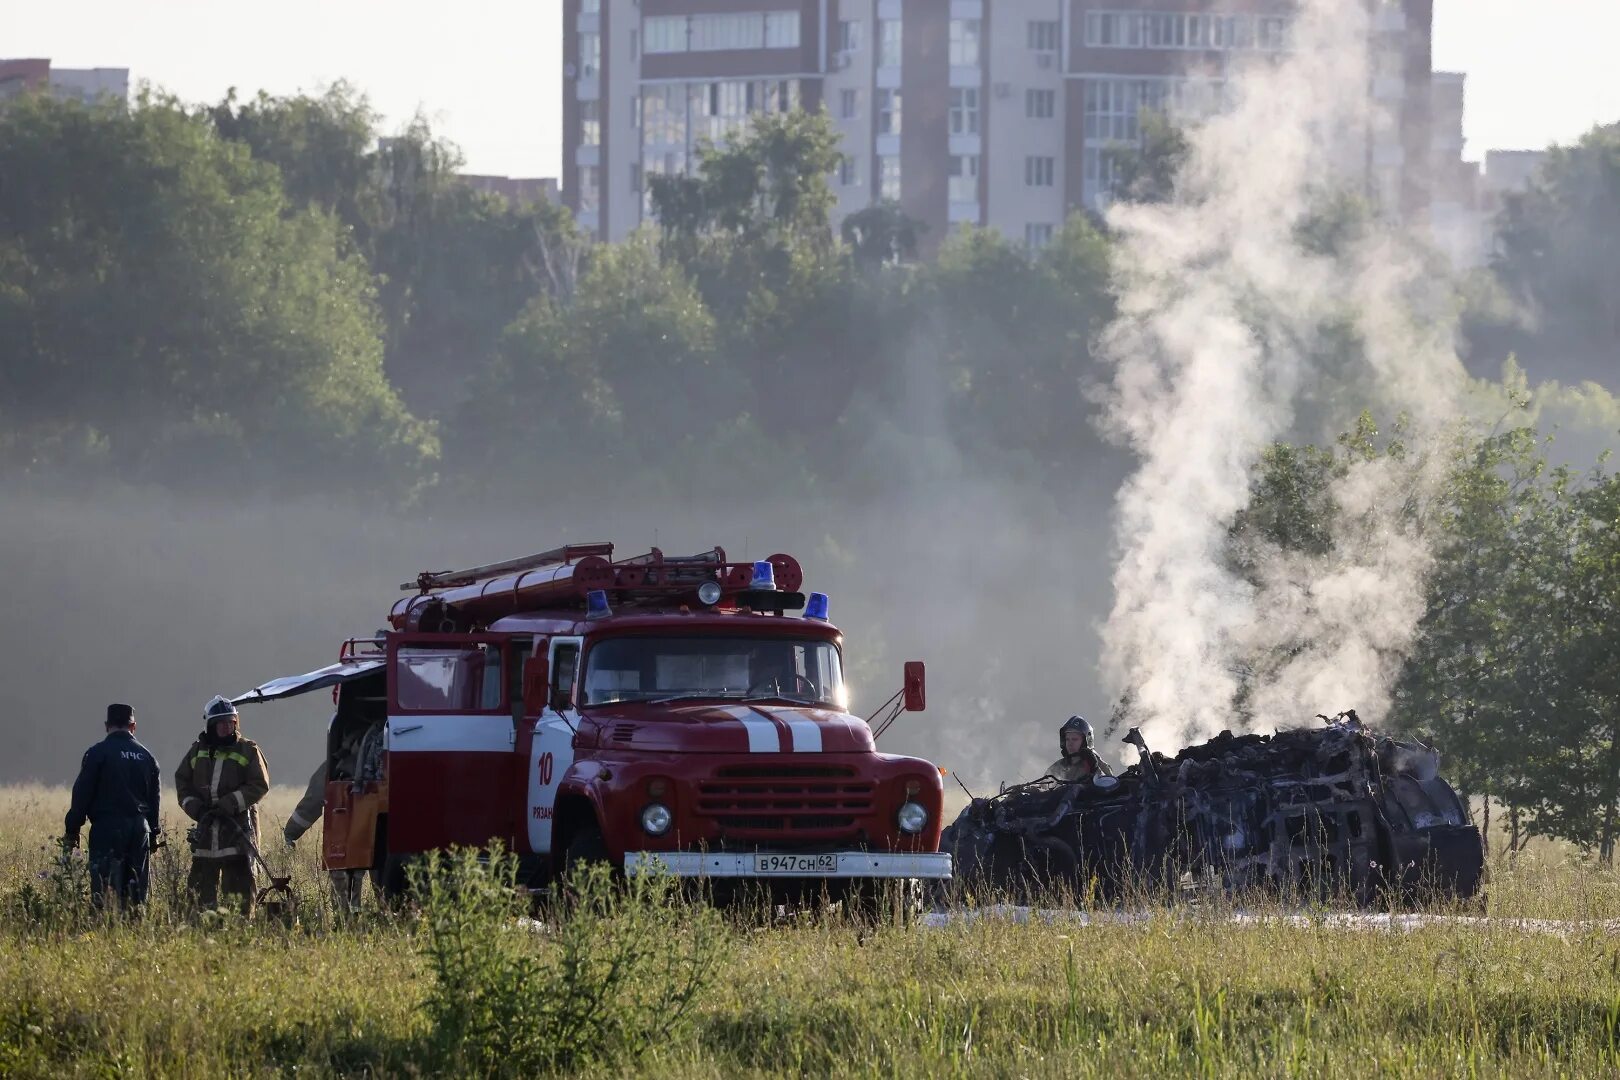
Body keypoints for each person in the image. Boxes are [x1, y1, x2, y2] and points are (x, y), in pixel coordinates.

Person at [62, 703, 162, 912]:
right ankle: (134, 931)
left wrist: (72, 829)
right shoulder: (148, 757)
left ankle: (105, 929)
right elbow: (154, 800)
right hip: (139, 829)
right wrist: (153, 833)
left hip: (107, 828)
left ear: (107, 726)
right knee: (136, 894)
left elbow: (82, 794)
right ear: (133, 727)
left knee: (104, 891)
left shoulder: (97, 753)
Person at [175, 695, 270, 913]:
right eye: (222, 723)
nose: (228, 727)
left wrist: (229, 804)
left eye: (231, 722)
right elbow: (183, 783)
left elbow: (259, 784)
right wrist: (195, 808)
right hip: (207, 834)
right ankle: (202, 931)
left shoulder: (248, 750)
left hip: (237, 832)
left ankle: (239, 933)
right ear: (210, 725)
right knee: (198, 895)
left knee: (240, 896)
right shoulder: (197, 751)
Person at [284, 723, 367, 912]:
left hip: (343, 834)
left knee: (342, 885)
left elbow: (313, 800)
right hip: (381, 838)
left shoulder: (336, 764)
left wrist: (290, 833)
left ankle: (346, 921)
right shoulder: (391, 757)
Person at [1046, 715, 1112, 783]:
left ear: (1085, 742)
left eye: (1074, 739)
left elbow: (1108, 785)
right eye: (1067, 739)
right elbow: (1043, 786)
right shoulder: (1058, 767)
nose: (1070, 743)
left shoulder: (1098, 764)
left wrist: (1094, 769)